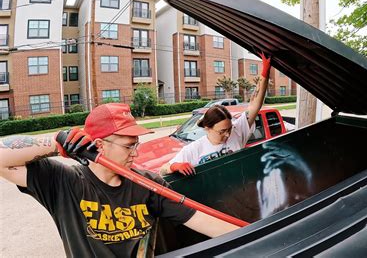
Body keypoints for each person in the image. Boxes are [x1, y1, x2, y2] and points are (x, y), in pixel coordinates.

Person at [0, 103, 239, 257]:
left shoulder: (146, 183)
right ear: (99, 145)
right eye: (128, 146)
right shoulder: (63, 182)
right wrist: (56, 141)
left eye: (136, 144)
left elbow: (202, 220)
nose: (135, 152)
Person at [160, 52, 271, 176]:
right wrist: (175, 166)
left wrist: (265, 72)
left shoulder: (237, 132)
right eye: (222, 131)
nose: (228, 134)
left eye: (229, 128)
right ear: (208, 128)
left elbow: (254, 104)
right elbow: (163, 170)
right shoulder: (194, 149)